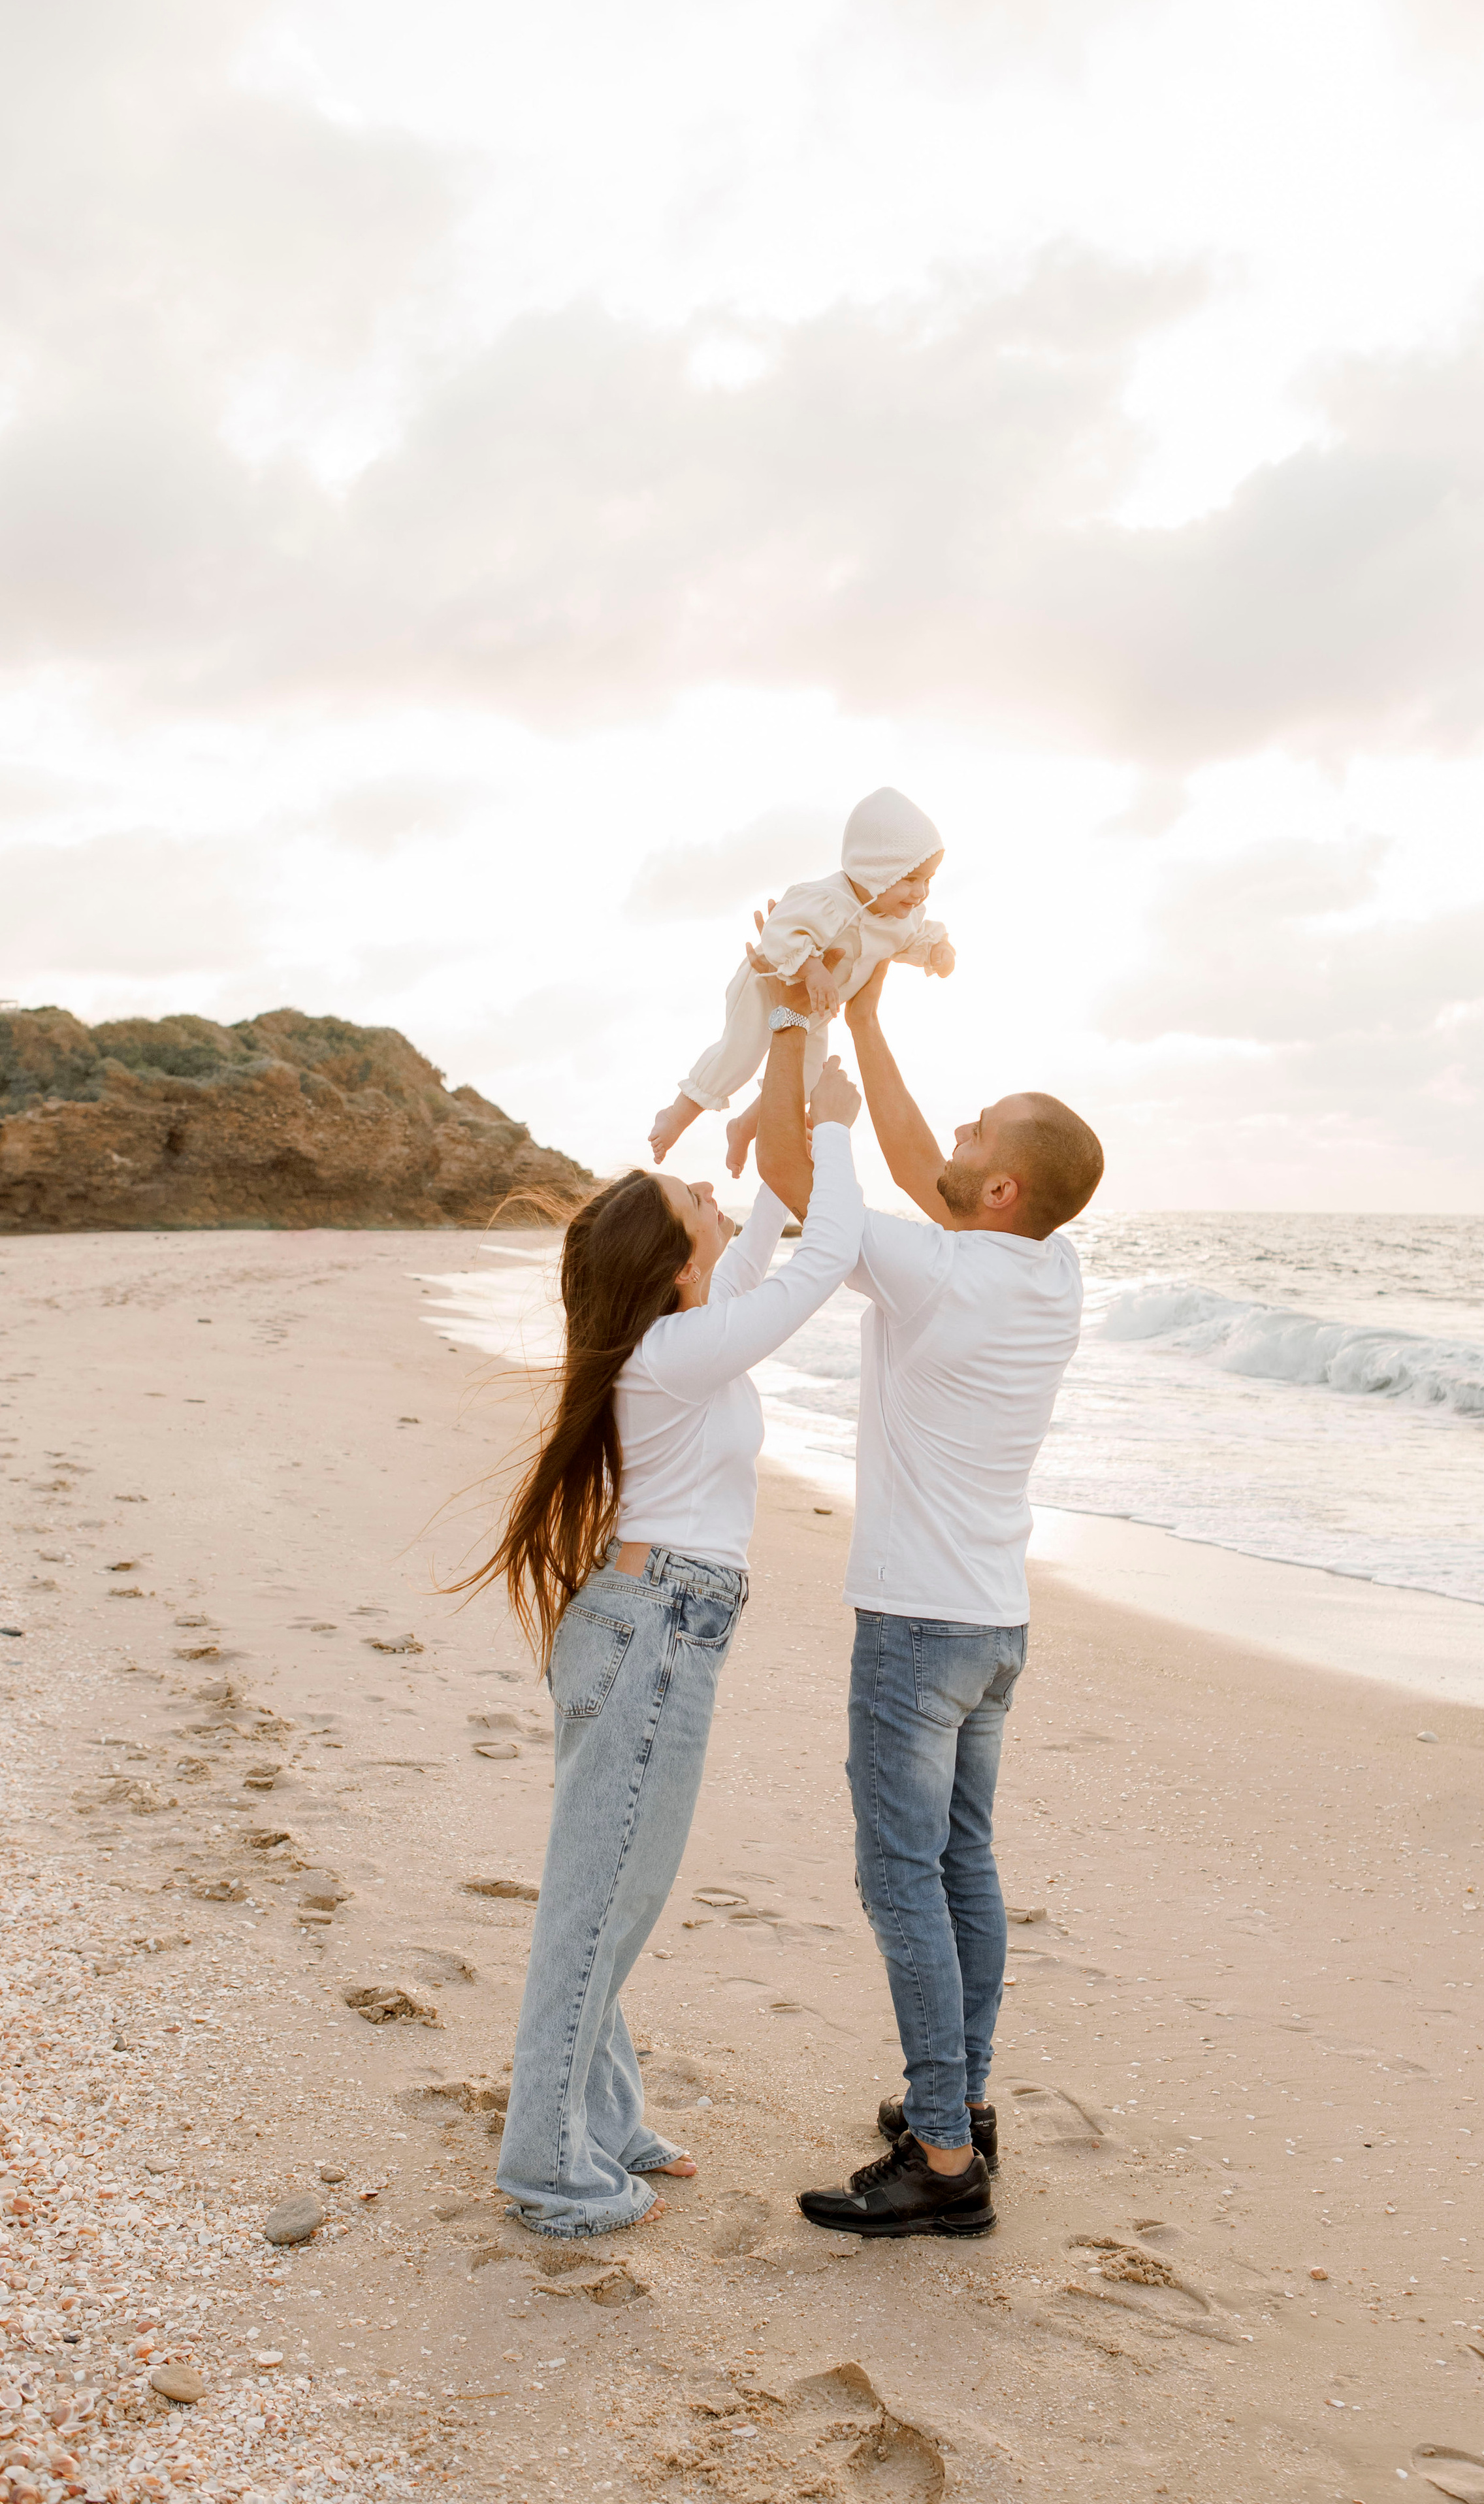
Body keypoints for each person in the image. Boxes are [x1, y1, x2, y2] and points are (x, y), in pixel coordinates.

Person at [470, 1002, 863, 2239]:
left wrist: (790, 1040)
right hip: (656, 1631)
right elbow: (820, 1254)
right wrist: (838, 1134)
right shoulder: (680, 1355)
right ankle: (547, 2165)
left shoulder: (677, 1338)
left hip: (649, 1624)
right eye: (690, 1192)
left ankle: (604, 2121)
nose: (706, 1185)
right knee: (601, 1903)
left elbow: (760, 1251)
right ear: (673, 1254)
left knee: (609, 1891)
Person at [756, 960, 1104, 2241]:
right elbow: (925, 1181)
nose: (945, 1138)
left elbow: (809, 1193)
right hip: (992, 1626)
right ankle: (958, 2104)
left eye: (972, 1134)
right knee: (961, 1862)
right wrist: (863, 1012)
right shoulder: (1041, 1273)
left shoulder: (940, 1274)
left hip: (913, 1629)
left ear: (1000, 1188)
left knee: (901, 1874)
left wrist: (821, 1085)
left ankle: (943, 2155)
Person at [649, 786, 955, 1178]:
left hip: (816, 1010)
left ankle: (744, 1127)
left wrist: (938, 952)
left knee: (805, 1079)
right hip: (768, 985)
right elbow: (779, 933)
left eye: (928, 880)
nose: (921, 891)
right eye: (911, 878)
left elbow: (917, 937)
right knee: (739, 1054)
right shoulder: (827, 899)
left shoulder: (901, 917)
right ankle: (676, 1115)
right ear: (876, 868)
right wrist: (812, 969)